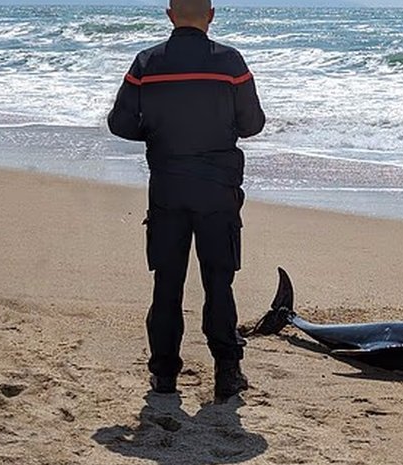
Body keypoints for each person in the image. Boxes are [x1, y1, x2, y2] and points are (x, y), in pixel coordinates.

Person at [107, 0, 266, 400]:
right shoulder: (231, 62)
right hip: (218, 191)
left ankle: (164, 376)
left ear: (170, 15)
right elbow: (252, 124)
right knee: (219, 283)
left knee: (167, 284)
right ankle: (227, 375)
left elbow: (119, 122)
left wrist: (158, 133)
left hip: (167, 189)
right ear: (211, 15)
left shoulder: (147, 62)